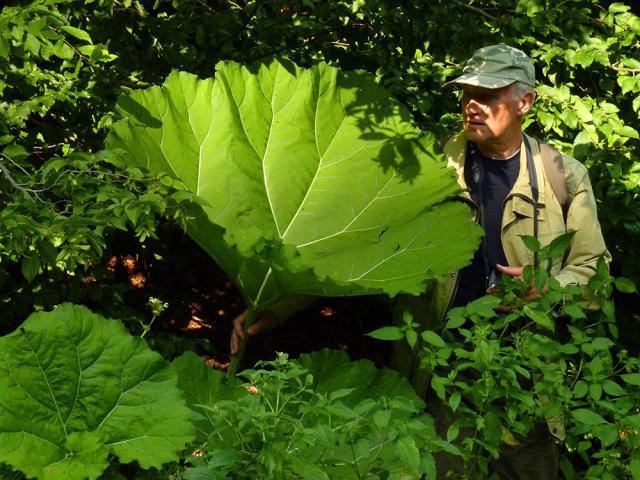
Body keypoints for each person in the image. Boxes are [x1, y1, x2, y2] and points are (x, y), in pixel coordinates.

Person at [230, 44, 611, 478]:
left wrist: (546, 287)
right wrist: (276, 307)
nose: (472, 105)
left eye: (488, 95)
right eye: (467, 94)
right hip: (435, 379)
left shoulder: (564, 176)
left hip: (523, 384)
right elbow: (354, 248)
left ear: (524, 102)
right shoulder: (424, 169)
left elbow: (594, 277)